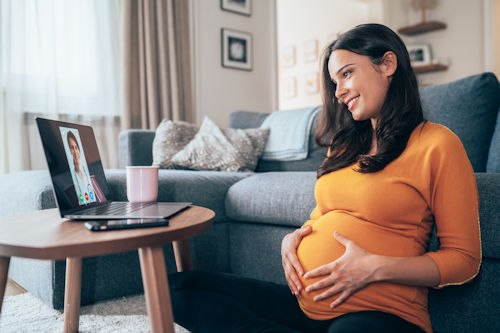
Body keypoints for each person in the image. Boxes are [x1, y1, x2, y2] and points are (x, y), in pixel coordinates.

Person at [168, 23, 481, 333]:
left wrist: (373, 269)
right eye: (334, 81)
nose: (338, 91)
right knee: (176, 288)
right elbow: (324, 215)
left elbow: (464, 260)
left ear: (387, 64)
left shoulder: (438, 144)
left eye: (347, 73)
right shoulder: (344, 145)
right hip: (307, 304)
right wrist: (293, 239)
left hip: (384, 313)